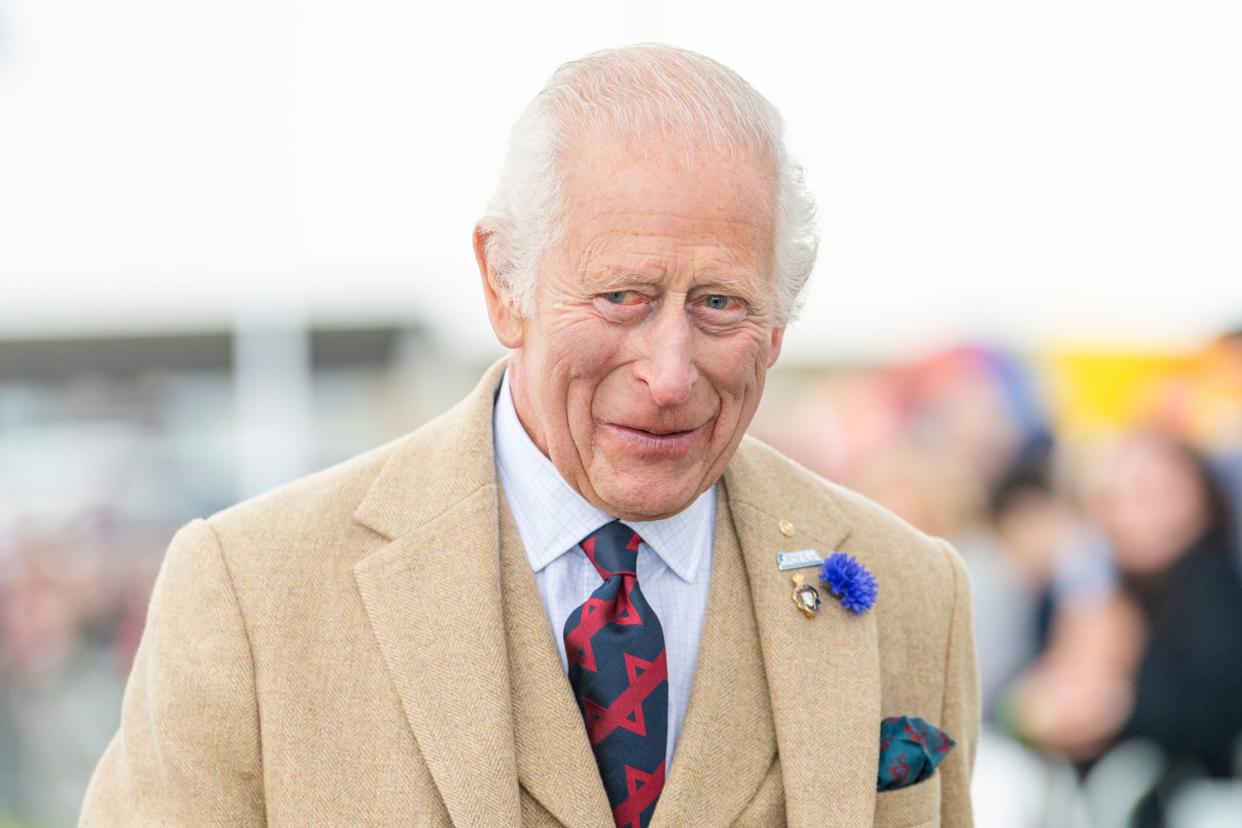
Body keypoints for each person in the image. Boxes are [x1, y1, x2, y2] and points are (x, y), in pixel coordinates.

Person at [79, 44, 979, 827]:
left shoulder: (914, 594)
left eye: (719, 304)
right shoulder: (250, 594)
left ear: (778, 322)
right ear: (503, 282)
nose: (669, 374)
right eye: (622, 295)